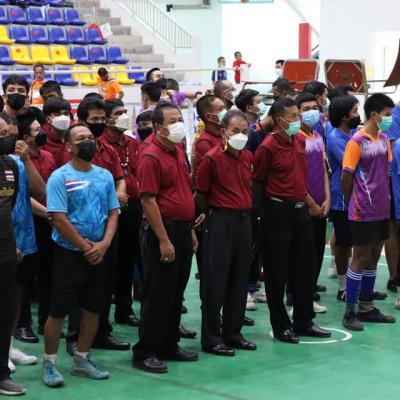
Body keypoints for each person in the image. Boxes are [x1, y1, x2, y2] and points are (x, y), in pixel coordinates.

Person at [43, 124, 119, 387]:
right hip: (69, 254)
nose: (87, 142)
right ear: (68, 146)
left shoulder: (105, 176)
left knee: (93, 308)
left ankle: (82, 360)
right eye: (80, 139)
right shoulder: (60, 177)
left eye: (90, 138)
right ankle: (50, 363)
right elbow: (58, 218)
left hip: (99, 252)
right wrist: (86, 248)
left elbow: (113, 212)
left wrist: (104, 244)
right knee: (58, 310)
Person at [253, 97, 331, 343]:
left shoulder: (299, 141)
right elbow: (258, 184)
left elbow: (299, 177)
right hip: (277, 212)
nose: (299, 119)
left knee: (305, 268)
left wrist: (308, 202)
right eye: (294, 116)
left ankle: (304, 320)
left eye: (299, 114)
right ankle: (281, 326)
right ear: (279, 121)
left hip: (300, 211)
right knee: (276, 272)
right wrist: (261, 215)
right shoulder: (267, 148)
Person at [132, 102, 200, 373]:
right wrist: (163, 240)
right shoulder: (150, 156)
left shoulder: (177, 150)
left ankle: (169, 344)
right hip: (163, 230)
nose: (178, 124)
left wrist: (190, 230)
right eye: (172, 121)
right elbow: (148, 201)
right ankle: (145, 351)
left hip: (182, 228)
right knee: (158, 293)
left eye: (179, 118)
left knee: (175, 292)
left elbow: (182, 191)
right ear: (158, 127)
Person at [196, 110, 256, 356]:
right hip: (220, 220)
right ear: (223, 132)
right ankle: (212, 337)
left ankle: (233, 332)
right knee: (216, 281)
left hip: (243, 221)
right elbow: (201, 193)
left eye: (244, 131)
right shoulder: (211, 159)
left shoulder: (247, 156)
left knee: (239, 279)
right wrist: (207, 218)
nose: (240, 135)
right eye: (235, 131)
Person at [341, 93, 396, 331]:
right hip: (362, 210)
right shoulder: (356, 142)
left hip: (382, 208)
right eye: (387, 114)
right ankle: (350, 312)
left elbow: (384, 171)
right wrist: (352, 200)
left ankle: (366, 307)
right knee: (360, 257)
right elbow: (346, 176)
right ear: (374, 115)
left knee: (374, 255)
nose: (390, 118)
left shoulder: (384, 139)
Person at [101, 99, 141, 327]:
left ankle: (124, 310)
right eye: (118, 113)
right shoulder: (100, 145)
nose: (124, 116)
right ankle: (102, 315)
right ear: (107, 120)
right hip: (108, 211)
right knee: (109, 263)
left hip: (132, 209)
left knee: (128, 260)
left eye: (125, 111)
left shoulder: (132, 143)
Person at [17, 110, 57, 335]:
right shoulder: (15, 160)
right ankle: (23, 324)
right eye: (36, 130)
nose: (41, 133)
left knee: (47, 273)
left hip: (48, 220)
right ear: (25, 137)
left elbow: (49, 189)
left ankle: (45, 321)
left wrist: (54, 214)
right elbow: (23, 194)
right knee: (24, 276)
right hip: (27, 219)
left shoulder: (48, 156)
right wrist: (47, 213)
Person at [296, 92, 331, 313]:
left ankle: (308, 297)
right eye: (306, 109)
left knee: (317, 253)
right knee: (301, 256)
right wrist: (310, 202)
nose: (312, 112)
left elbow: (324, 170)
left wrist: (327, 198)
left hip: (321, 205)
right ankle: (296, 299)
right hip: (303, 206)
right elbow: (296, 177)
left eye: (314, 108)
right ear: (297, 113)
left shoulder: (318, 136)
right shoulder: (295, 139)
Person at [0, 116, 27, 396]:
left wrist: (13, 244)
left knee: (5, 313)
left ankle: (1, 374)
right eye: (0, 134)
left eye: (7, 133)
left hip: (6, 252)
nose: (6, 138)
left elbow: (8, 206)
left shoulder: (10, 166)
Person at [326, 95, 360, 301]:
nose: (358, 114)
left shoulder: (355, 133)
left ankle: (358, 284)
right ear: (344, 115)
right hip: (342, 198)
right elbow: (353, 165)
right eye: (354, 111)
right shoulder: (335, 137)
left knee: (359, 242)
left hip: (359, 196)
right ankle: (343, 286)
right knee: (344, 243)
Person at [42, 97, 72, 168]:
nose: (63, 118)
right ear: (48, 119)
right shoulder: (42, 141)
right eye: (58, 114)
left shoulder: (77, 135)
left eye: (66, 114)